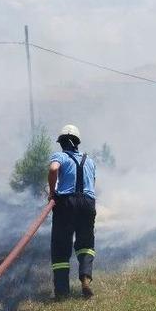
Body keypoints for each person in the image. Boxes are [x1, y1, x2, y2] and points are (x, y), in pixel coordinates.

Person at [47, 124, 97, 299]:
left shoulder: (60, 156)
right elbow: (93, 183)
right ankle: (85, 278)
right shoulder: (89, 160)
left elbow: (53, 169)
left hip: (66, 203)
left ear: (62, 143)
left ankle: (62, 292)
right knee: (86, 244)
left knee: (61, 246)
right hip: (88, 203)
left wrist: (52, 192)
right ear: (77, 142)